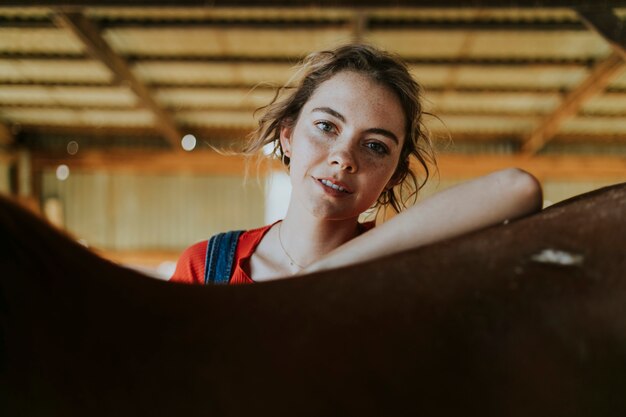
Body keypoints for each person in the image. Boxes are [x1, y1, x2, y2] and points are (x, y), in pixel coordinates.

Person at [170, 43, 542, 285]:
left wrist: (320, 275)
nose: (344, 158)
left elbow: (517, 189)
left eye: (376, 146)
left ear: (395, 175)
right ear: (287, 136)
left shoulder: (401, 271)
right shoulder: (207, 268)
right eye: (325, 126)